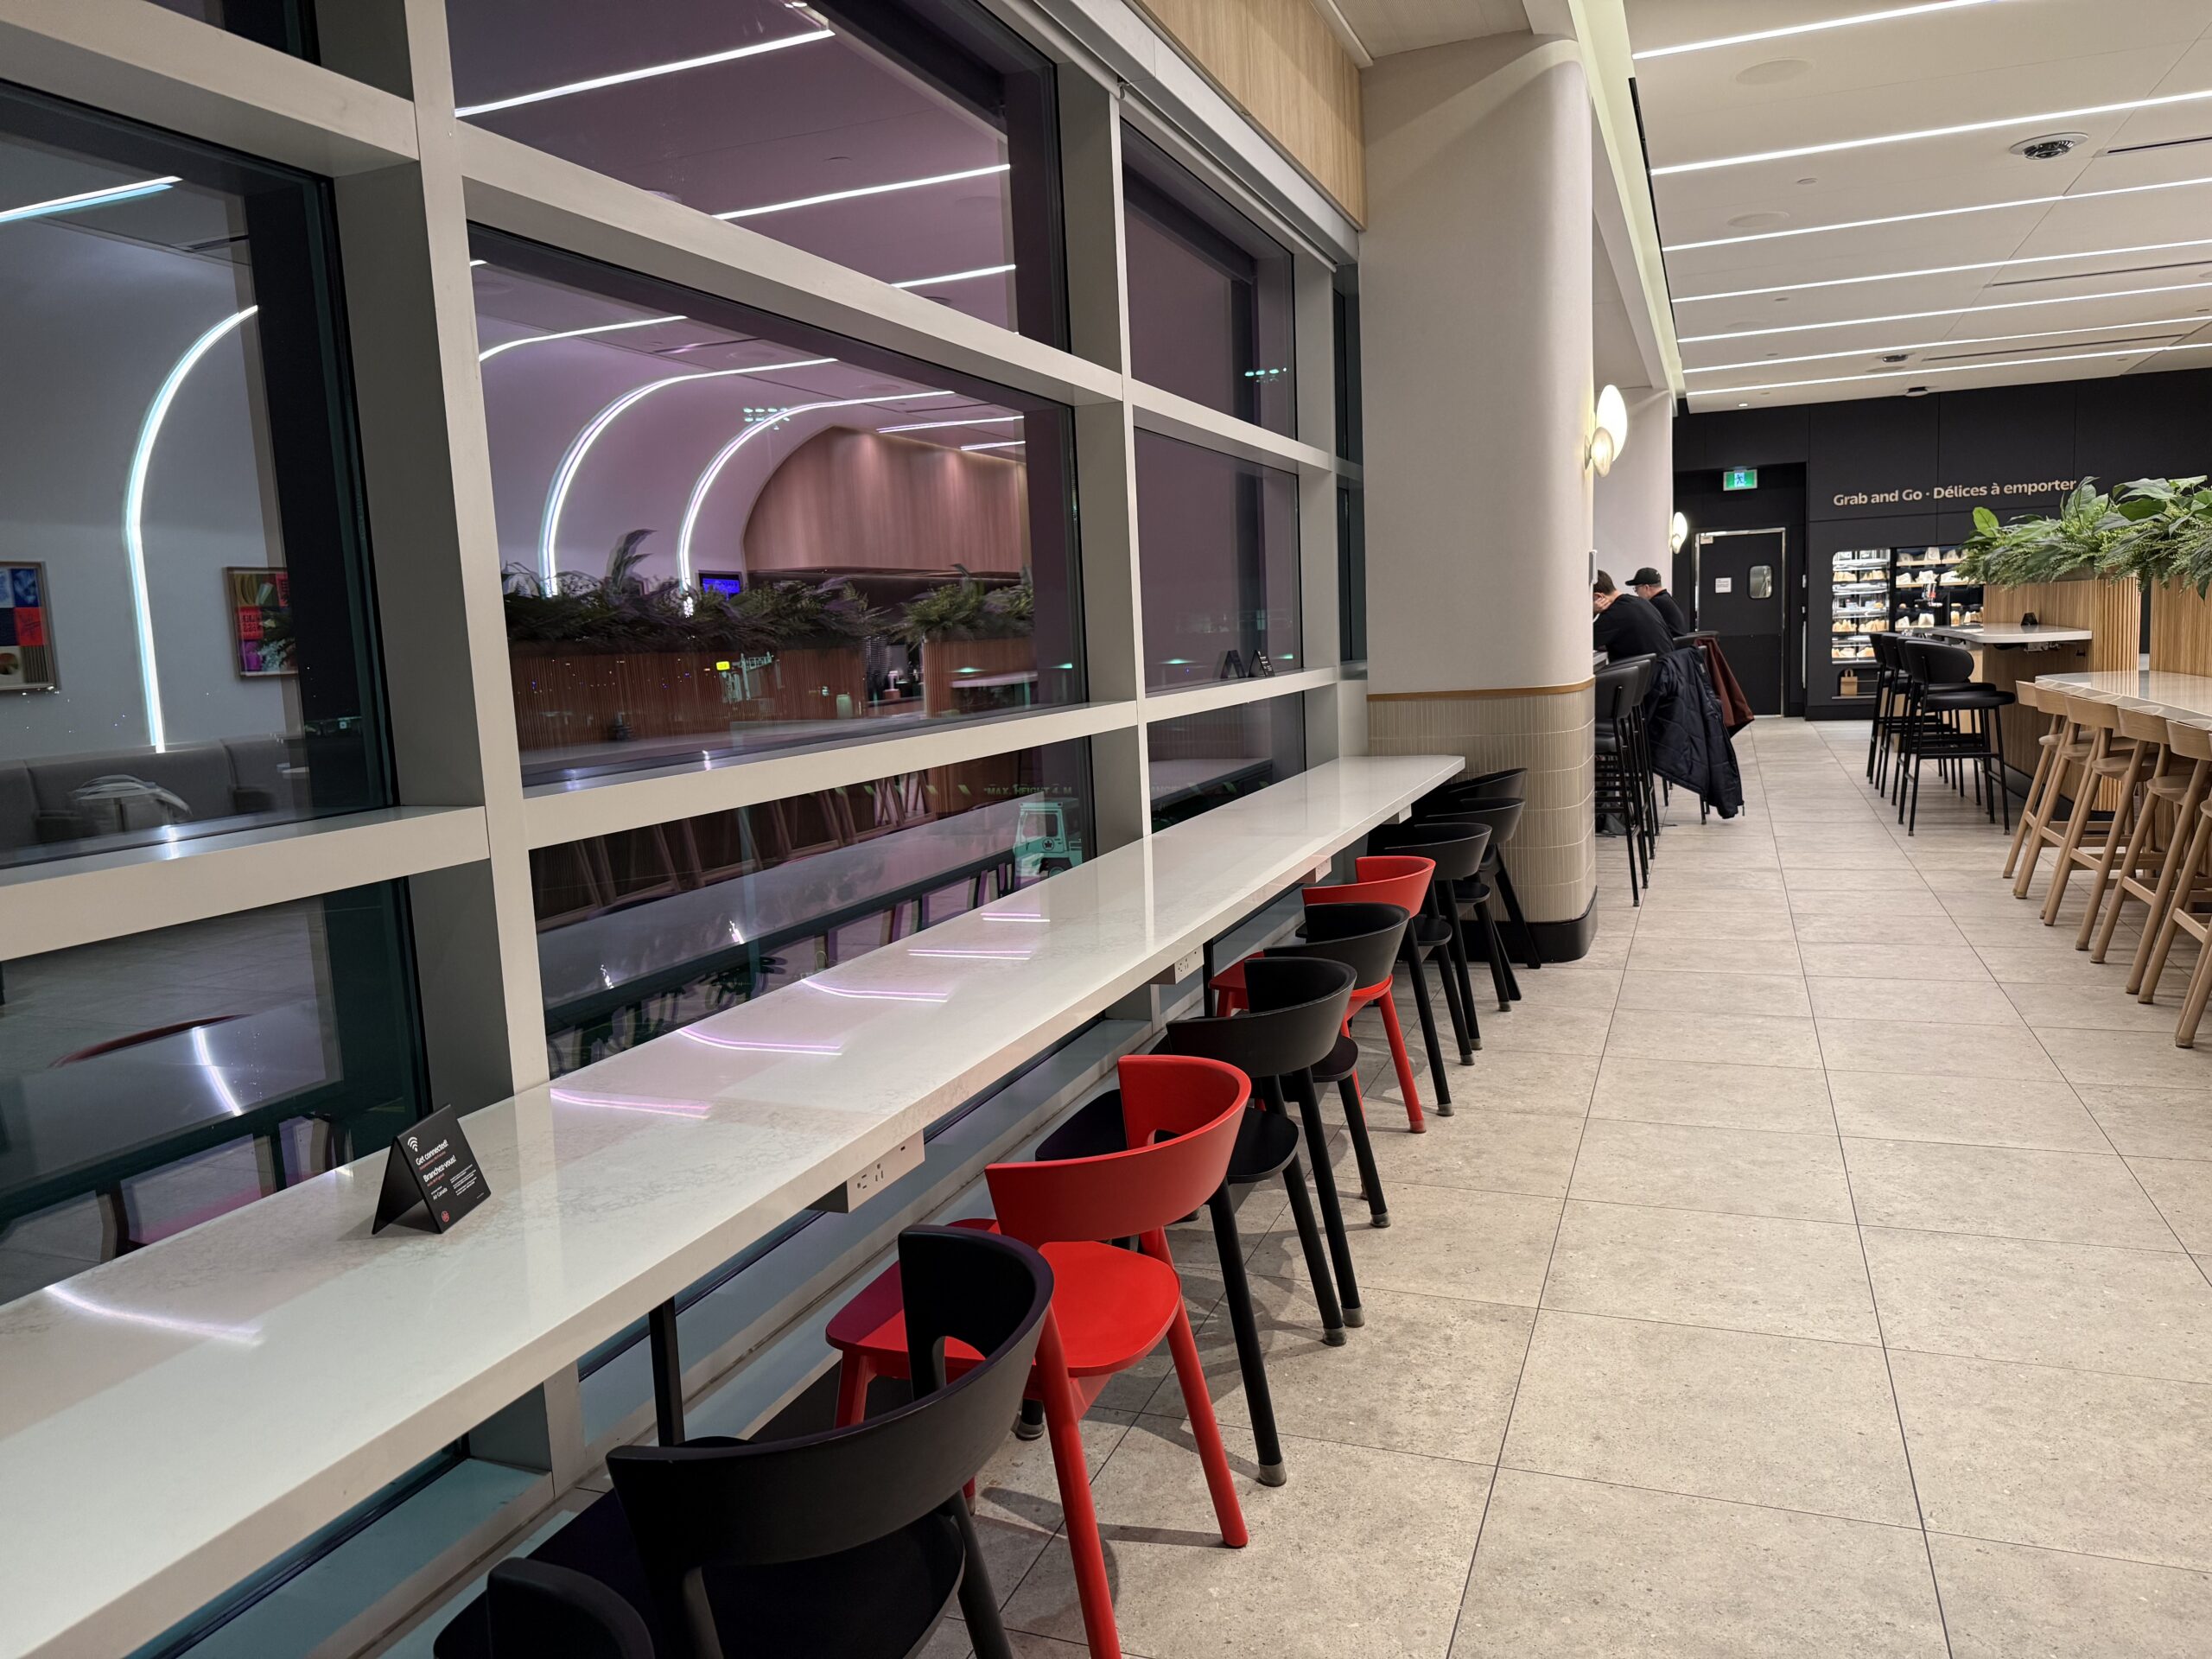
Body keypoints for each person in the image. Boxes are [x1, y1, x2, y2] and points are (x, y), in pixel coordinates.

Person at [1592, 569, 1677, 661]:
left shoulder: (1613, 613)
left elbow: (1583, 644)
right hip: (1667, 668)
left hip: (1653, 673)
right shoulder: (1640, 602)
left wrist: (1592, 612)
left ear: (1598, 597)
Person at [1630, 566, 1688, 637]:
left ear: (1646, 588)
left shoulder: (1655, 604)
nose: (1636, 593)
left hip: (1669, 645)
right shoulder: (1666, 599)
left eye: (1636, 588)